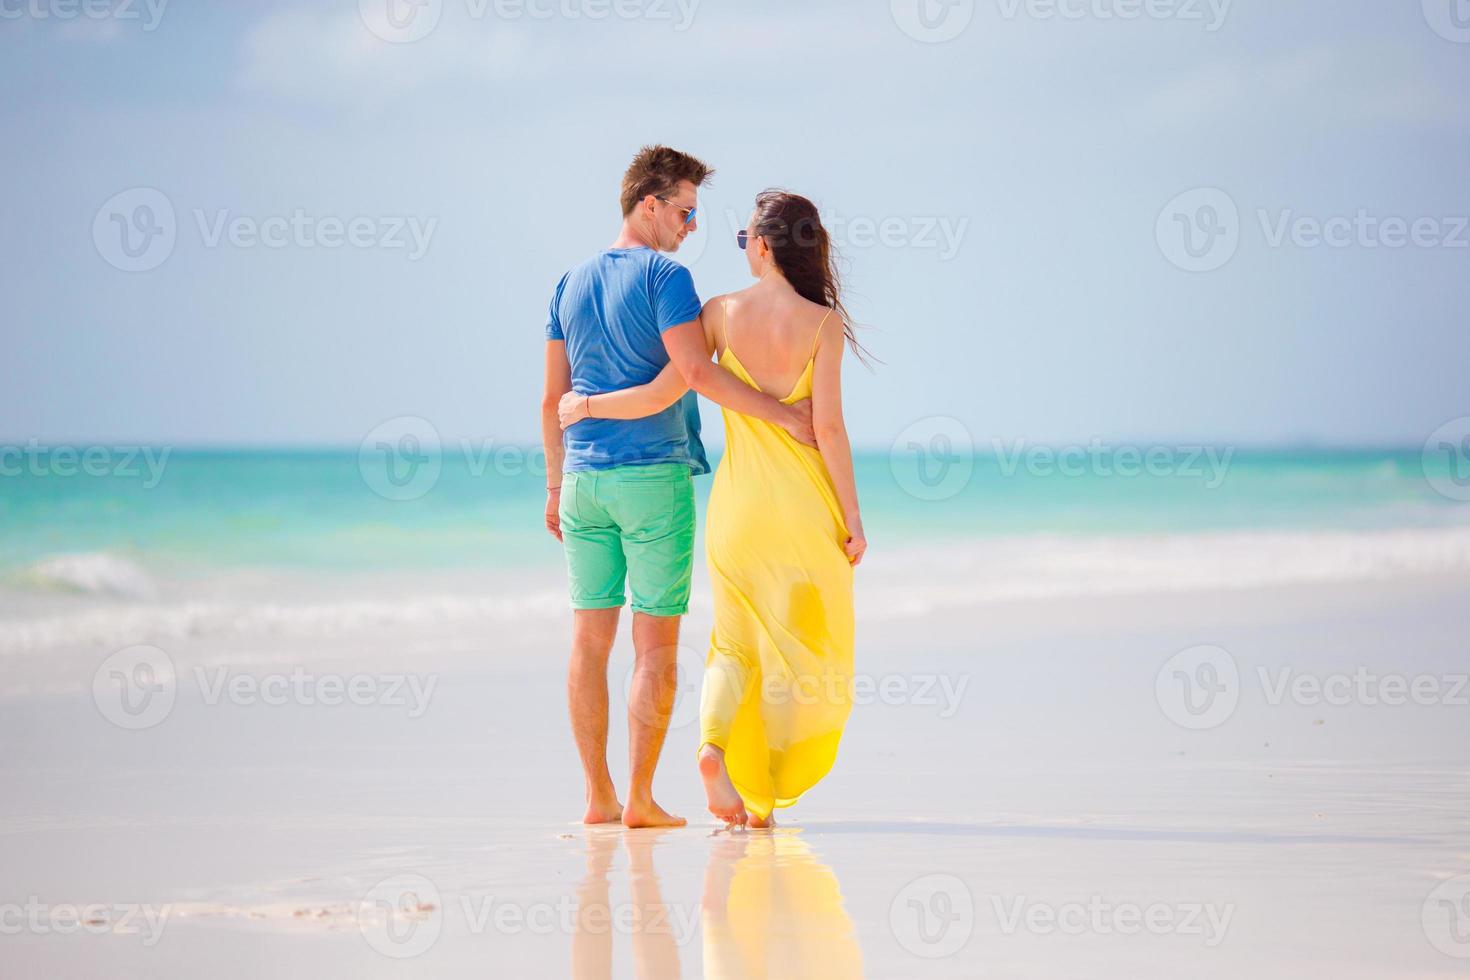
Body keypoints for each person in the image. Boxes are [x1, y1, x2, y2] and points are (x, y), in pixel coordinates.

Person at [559, 189, 866, 828]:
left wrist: (586, 408)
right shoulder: (823, 324)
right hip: (805, 507)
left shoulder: (719, 313)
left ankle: (713, 750)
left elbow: (666, 388)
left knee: (733, 644)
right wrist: (854, 522)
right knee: (798, 647)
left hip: (737, 508)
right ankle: (763, 794)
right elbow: (830, 430)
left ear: (761, 245)